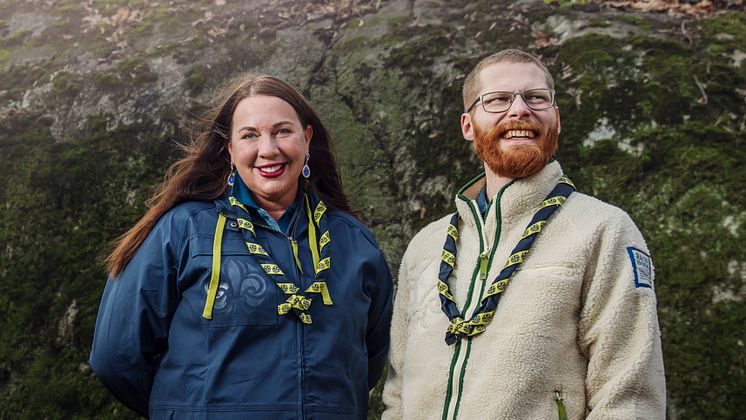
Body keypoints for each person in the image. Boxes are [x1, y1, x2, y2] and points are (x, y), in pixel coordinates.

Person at [382, 49, 665, 419]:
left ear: (556, 119)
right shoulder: (426, 245)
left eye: (536, 98)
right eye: (498, 99)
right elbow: (398, 393)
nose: (519, 110)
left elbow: (629, 396)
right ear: (468, 125)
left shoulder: (603, 229)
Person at [90, 74, 393, 419]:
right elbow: (115, 356)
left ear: (307, 139)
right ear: (230, 151)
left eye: (282, 131)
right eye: (250, 135)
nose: (268, 149)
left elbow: (369, 356)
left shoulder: (353, 240)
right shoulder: (183, 229)